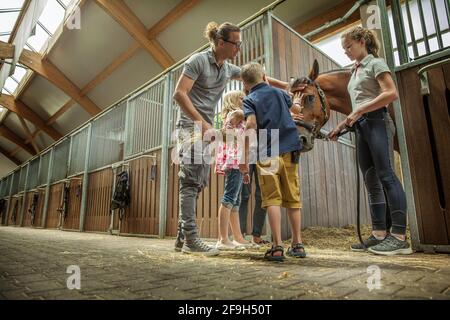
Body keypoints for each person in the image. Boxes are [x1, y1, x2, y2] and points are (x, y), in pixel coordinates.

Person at [173, 21, 289, 256]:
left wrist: (285, 85)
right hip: (190, 126)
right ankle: (191, 240)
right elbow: (179, 93)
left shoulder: (226, 69)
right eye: (236, 44)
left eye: (240, 43)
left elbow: (256, 76)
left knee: (199, 183)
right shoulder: (198, 61)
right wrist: (202, 122)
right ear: (220, 42)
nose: (239, 48)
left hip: (205, 129)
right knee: (190, 181)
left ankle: (181, 237)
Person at [328, 26, 412, 255]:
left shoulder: (375, 63)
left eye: (348, 46)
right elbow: (358, 105)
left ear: (362, 41)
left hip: (377, 122)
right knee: (370, 179)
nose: (345, 51)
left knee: (386, 175)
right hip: (362, 126)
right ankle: (378, 234)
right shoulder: (355, 70)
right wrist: (342, 125)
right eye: (344, 48)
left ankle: (399, 236)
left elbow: (390, 93)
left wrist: (360, 111)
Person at [239, 62, 306, 261]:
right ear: (265, 76)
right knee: (293, 197)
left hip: (267, 151)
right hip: (290, 148)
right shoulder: (279, 93)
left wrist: (244, 158)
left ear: (245, 83)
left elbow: (251, 124)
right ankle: (298, 244)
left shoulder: (250, 99)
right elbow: (295, 108)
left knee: (272, 198)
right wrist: (298, 103)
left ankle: (277, 247)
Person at [215, 91, 253, 250]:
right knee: (229, 198)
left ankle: (237, 237)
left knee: (235, 201)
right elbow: (230, 135)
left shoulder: (235, 116)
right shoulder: (236, 114)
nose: (246, 101)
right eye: (242, 99)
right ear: (234, 101)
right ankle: (222, 239)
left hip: (238, 162)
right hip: (235, 161)